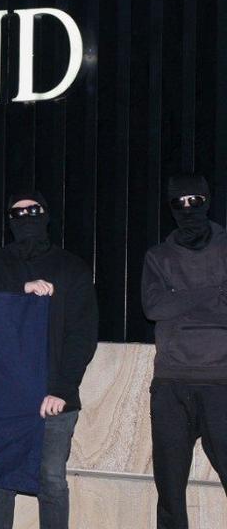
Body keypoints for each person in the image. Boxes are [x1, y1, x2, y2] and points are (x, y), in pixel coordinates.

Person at [0, 191, 98, 529]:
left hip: (53, 395)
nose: (27, 218)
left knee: (51, 480)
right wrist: (19, 288)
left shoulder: (71, 268)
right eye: (18, 213)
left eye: (34, 211)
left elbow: (82, 335)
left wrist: (62, 389)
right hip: (3, 396)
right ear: (9, 220)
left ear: (46, 215)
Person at [142, 174, 227, 529]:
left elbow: (170, 304)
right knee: (170, 490)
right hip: (171, 382)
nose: (189, 209)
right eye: (180, 203)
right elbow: (154, 308)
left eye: (196, 200)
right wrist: (213, 292)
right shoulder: (158, 255)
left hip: (221, 381)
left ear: (208, 200)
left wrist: (180, 296)